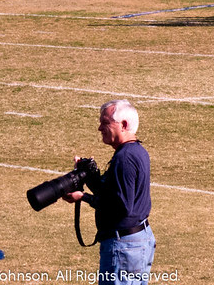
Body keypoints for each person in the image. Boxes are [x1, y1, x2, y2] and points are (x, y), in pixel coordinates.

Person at [63, 100, 155, 281]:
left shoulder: (125, 158)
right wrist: (90, 176)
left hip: (124, 246)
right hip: (137, 239)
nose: (99, 128)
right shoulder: (137, 151)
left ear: (124, 125)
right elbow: (115, 194)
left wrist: (83, 197)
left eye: (105, 122)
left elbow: (121, 206)